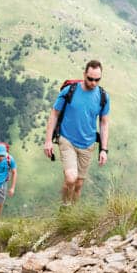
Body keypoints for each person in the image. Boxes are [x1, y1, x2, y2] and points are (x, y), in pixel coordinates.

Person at [43, 60, 111, 204]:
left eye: (97, 80)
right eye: (90, 79)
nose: (93, 83)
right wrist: (48, 141)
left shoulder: (103, 96)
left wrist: (104, 149)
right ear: (84, 74)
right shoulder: (69, 91)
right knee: (70, 178)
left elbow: (104, 123)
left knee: (78, 185)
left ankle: (73, 215)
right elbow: (54, 114)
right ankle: (65, 207)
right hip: (67, 140)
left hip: (88, 144)